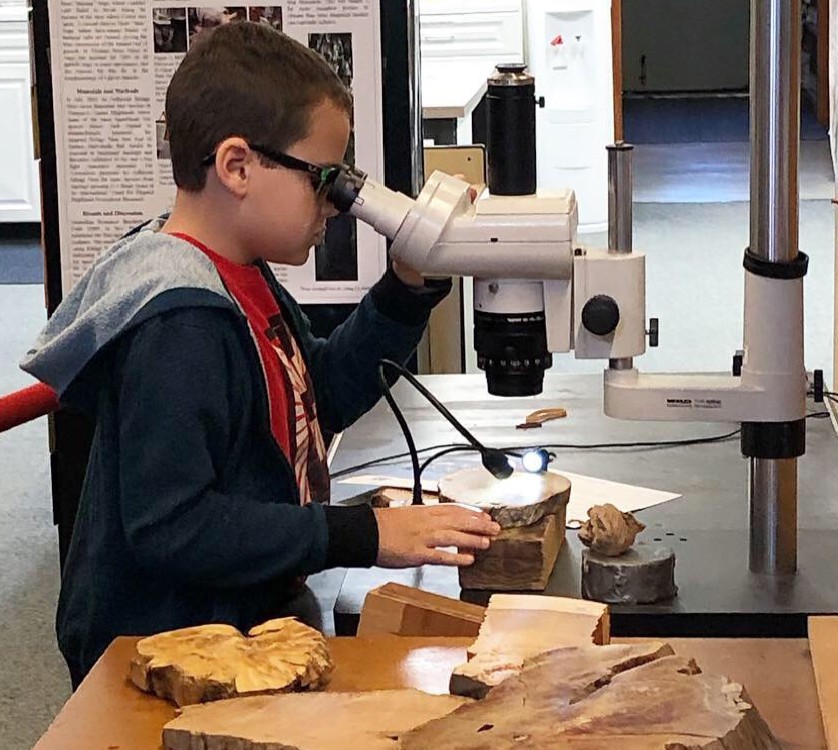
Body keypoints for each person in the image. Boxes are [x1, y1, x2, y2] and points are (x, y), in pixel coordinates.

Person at [21, 21, 500, 687]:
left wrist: (405, 287)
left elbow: (319, 395)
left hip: (249, 614)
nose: (338, 202)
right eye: (324, 177)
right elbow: (173, 527)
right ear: (238, 167)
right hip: (173, 654)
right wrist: (361, 535)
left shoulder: (239, 274)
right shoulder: (181, 321)